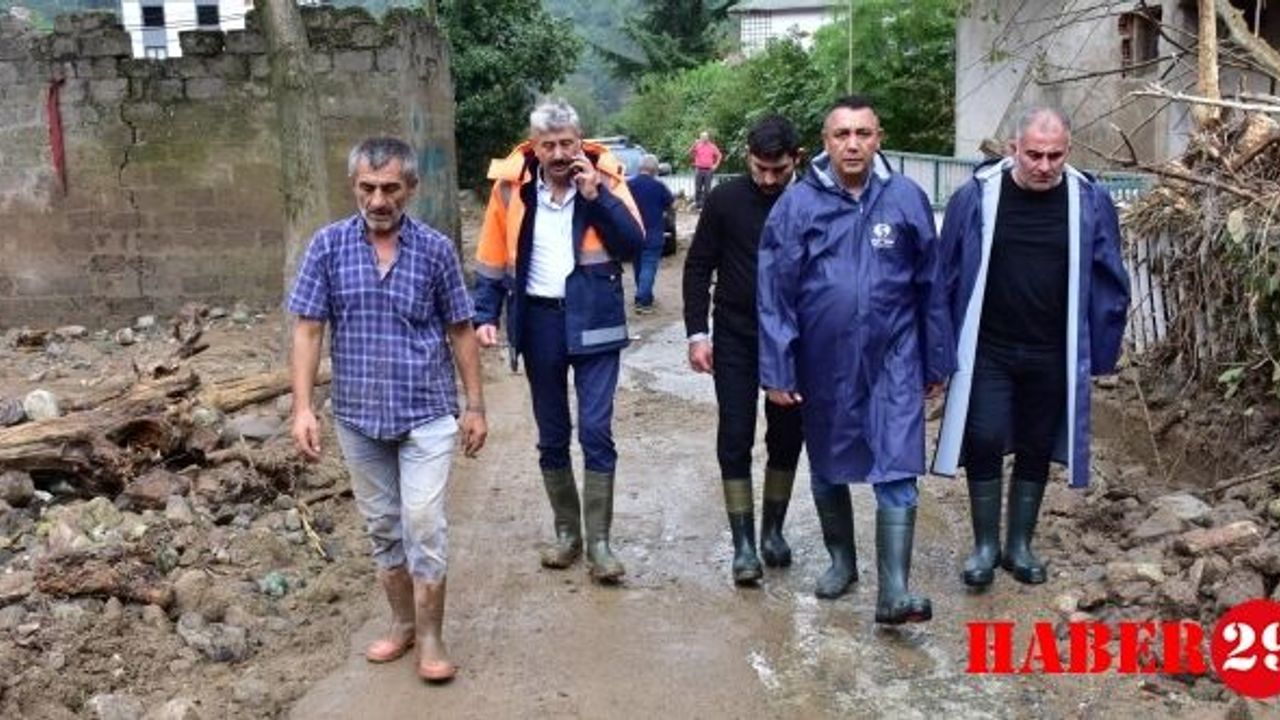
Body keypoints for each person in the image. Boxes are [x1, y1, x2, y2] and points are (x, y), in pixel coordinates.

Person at [288, 137, 487, 683]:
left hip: (425, 411)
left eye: (390, 188)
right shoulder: (327, 247)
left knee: (422, 522)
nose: (378, 200)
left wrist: (475, 405)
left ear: (411, 189)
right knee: (382, 525)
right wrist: (303, 408)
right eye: (368, 188)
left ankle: (430, 636)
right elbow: (308, 329)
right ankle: (401, 624)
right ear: (354, 186)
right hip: (357, 415)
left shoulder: (435, 250)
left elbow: (460, 330)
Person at [758, 96, 955, 624]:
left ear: (878, 138)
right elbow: (775, 290)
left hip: (896, 354)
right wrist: (778, 367)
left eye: (862, 133)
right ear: (825, 143)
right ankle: (842, 561)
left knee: (898, 462)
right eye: (841, 133)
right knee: (828, 460)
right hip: (824, 359)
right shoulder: (798, 205)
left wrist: (936, 359)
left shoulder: (906, 198)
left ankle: (894, 590)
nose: (852, 143)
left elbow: (931, 285)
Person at [933, 107, 1130, 588]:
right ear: (1013, 149)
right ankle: (985, 546)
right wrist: (937, 349)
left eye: (1055, 156)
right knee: (983, 436)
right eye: (1034, 155)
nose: (1044, 166)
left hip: (1052, 351)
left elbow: (1110, 278)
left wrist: (1101, 352)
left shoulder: (1088, 200)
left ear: (1069, 151)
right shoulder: (977, 197)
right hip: (989, 348)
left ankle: (1019, 545)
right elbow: (944, 274)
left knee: (1037, 443)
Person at [473, 99, 644, 583]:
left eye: (567, 142)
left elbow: (634, 244)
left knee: (595, 430)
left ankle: (601, 545)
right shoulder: (510, 189)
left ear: (580, 139)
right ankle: (568, 534)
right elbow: (489, 257)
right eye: (548, 145)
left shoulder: (606, 181)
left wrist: (596, 197)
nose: (559, 153)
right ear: (534, 146)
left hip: (596, 320)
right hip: (539, 321)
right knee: (551, 435)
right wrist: (485, 314)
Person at [682, 115, 805, 585]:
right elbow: (698, 267)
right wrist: (698, 333)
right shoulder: (725, 200)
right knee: (734, 433)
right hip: (735, 332)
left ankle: (773, 530)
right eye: (759, 169)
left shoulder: (810, 200)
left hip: (794, 339)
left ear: (795, 158)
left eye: (778, 170)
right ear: (747, 159)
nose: (768, 179)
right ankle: (744, 545)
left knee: (788, 433)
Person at [627, 154, 674, 314]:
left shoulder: (628, 185)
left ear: (640, 167)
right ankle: (643, 300)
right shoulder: (659, 186)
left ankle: (645, 295)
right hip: (653, 234)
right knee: (648, 266)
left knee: (638, 266)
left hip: (633, 233)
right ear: (655, 169)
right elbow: (669, 203)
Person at [687, 130, 722, 209]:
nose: (704, 138)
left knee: (707, 189)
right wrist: (693, 145)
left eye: (705, 137)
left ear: (708, 138)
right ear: (700, 137)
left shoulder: (712, 146)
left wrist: (716, 165)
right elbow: (688, 153)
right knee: (698, 188)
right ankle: (697, 204)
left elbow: (719, 155)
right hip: (699, 169)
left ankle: (706, 205)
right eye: (702, 137)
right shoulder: (697, 145)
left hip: (709, 170)